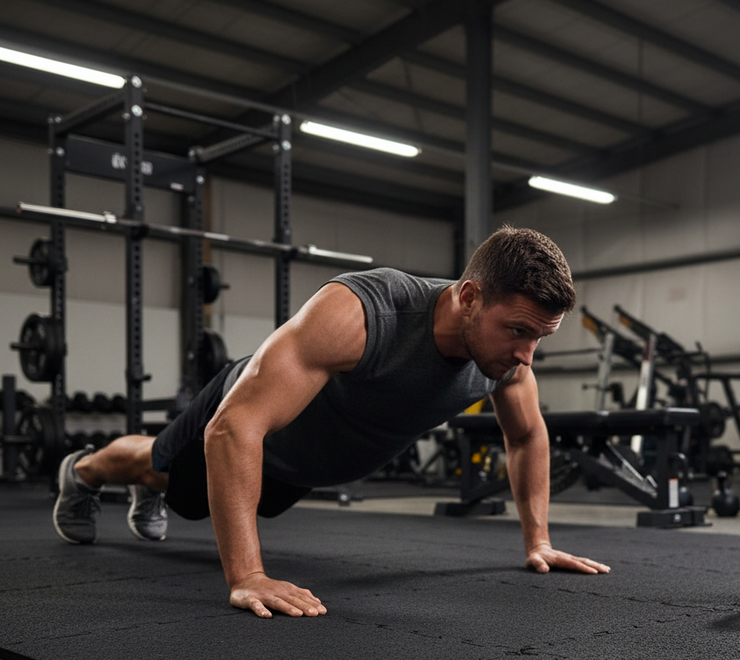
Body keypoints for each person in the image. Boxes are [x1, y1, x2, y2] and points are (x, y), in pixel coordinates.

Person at [53, 226, 610, 618]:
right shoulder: (363, 313)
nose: (527, 355)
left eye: (540, 337)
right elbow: (233, 428)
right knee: (159, 471)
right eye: (518, 330)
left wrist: (537, 540)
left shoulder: (505, 365)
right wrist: (247, 576)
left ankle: (148, 485)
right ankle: (82, 474)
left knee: (206, 497)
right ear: (469, 298)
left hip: (303, 465)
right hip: (245, 424)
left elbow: (528, 435)